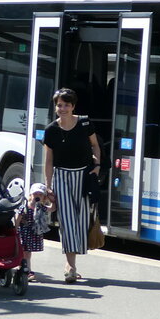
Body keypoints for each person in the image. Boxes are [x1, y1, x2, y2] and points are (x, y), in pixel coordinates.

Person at [43, 87, 102, 284]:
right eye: (59, 105)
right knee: (67, 221)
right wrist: (48, 186)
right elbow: (49, 160)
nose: (62, 108)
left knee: (82, 220)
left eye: (66, 105)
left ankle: (72, 262)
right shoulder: (51, 129)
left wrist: (97, 165)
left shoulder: (84, 123)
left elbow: (95, 145)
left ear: (73, 106)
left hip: (84, 176)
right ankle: (70, 266)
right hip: (61, 177)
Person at [15, 182, 54, 282]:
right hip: (24, 232)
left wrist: (51, 199)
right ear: (31, 195)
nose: (37, 196)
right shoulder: (25, 207)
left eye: (40, 195)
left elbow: (52, 208)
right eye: (35, 194)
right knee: (25, 252)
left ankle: (25, 268)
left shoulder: (41, 207)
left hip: (34, 232)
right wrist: (15, 229)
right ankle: (25, 269)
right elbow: (18, 218)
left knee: (28, 252)